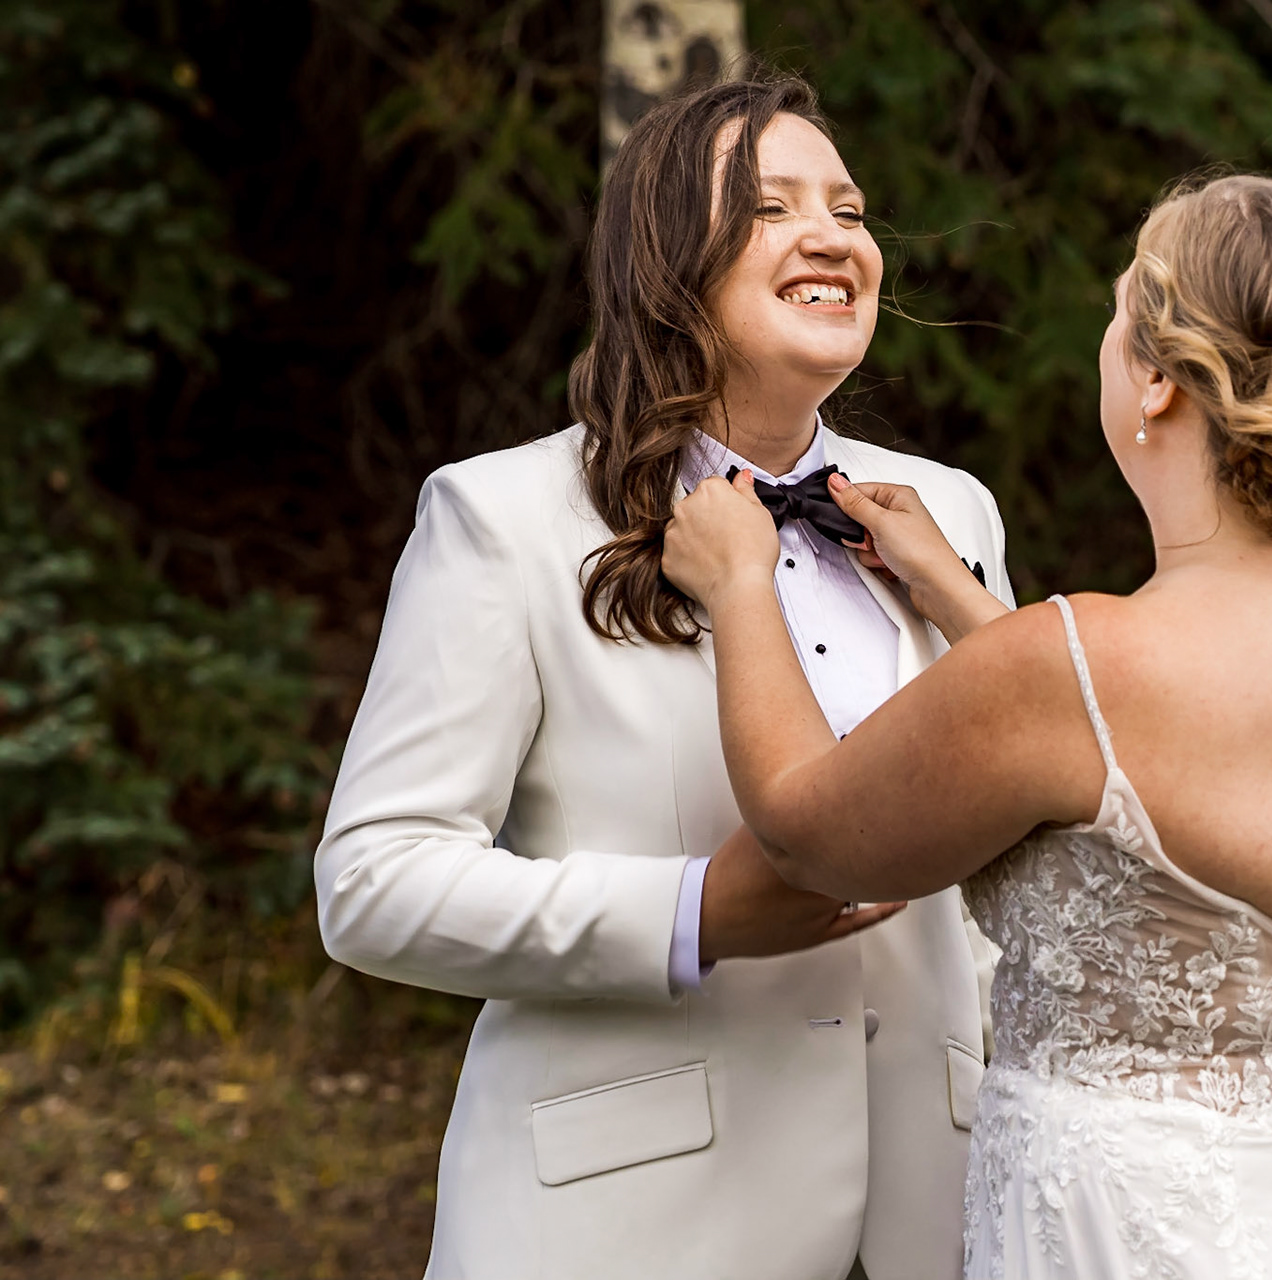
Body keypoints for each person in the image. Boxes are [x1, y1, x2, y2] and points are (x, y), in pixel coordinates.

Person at [663, 173, 1272, 1279]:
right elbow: (1132, 744)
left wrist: (741, 584)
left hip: (1135, 1231)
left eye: (1119, 325)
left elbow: (799, 830)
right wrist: (967, 605)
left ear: (1157, 383)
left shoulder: (1077, 663)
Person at [314, 76, 1008, 1280]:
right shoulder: (504, 516)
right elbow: (373, 882)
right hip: (626, 1227)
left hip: (937, 1212)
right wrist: (691, 914)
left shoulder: (947, 513)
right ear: (665, 258)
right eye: (771, 205)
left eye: (849, 207)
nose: (835, 235)